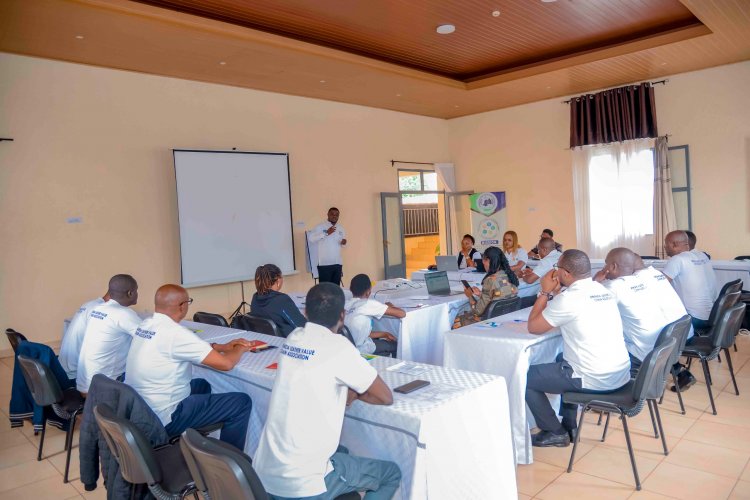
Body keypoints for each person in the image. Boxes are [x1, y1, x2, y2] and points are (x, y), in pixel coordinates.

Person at [254, 283, 401, 499]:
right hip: (302, 484)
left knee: (342, 452)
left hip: (263, 474)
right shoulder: (338, 346)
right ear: (342, 316)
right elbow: (385, 396)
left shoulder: (294, 337)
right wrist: (354, 394)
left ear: (305, 312)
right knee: (391, 474)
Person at [125, 285, 254, 450]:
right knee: (241, 403)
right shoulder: (176, 333)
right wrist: (239, 349)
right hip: (165, 418)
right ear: (182, 306)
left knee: (202, 384)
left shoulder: (146, 324)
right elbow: (226, 364)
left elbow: (189, 347)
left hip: (141, 409)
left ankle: (195, 443)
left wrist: (221, 347)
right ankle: (230, 460)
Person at [526, 249, 631, 447]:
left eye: (557, 267)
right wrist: (556, 294)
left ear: (566, 273)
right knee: (561, 358)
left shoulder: (569, 299)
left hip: (594, 378)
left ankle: (554, 431)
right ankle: (570, 424)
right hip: (619, 373)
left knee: (524, 376)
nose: (555, 271)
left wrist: (545, 292)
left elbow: (533, 327)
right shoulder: (602, 290)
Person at [594, 248, 688, 376]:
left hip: (643, 354)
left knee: (599, 344)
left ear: (613, 266)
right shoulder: (642, 281)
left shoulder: (612, 287)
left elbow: (587, 306)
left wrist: (595, 282)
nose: (604, 268)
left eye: (606, 264)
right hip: (663, 348)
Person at [76, 274, 141, 393]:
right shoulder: (124, 313)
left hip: (84, 384)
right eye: (136, 290)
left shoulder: (98, 309)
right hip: (103, 390)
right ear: (130, 293)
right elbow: (149, 338)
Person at [663, 230, 718, 332]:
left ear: (674, 244)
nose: (665, 247)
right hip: (713, 315)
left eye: (666, 244)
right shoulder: (703, 256)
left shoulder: (677, 259)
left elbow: (659, 286)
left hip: (694, 318)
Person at [344, 274, 405, 357]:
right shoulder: (368, 304)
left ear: (351, 289)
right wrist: (390, 306)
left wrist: (385, 334)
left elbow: (359, 333)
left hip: (349, 347)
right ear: (369, 292)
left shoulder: (345, 304)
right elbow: (402, 313)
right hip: (362, 349)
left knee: (380, 340)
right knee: (395, 345)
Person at [456, 246, 518, 327]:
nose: (483, 263)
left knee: (456, 320)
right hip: (504, 320)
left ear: (488, 260)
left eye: (483, 260)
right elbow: (500, 296)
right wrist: (481, 294)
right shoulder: (509, 275)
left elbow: (477, 311)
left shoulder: (490, 280)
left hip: (488, 323)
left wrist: (470, 295)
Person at [59, 286, 111, 379]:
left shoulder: (89, 304)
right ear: (129, 293)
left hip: (64, 369)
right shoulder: (102, 310)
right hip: (75, 376)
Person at [250, 264, 307, 337]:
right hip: (288, 340)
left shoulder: (255, 298)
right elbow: (301, 326)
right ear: (278, 280)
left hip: (267, 340)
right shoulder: (281, 300)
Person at [309, 207, 346, 284]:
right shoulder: (320, 227)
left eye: (336, 215)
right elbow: (311, 239)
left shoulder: (341, 228)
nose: (334, 216)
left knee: (336, 288)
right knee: (325, 289)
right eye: (332, 214)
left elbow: (342, 245)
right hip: (325, 264)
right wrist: (326, 233)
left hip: (337, 263)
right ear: (328, 215)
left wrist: (344, 243)